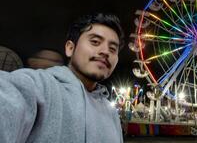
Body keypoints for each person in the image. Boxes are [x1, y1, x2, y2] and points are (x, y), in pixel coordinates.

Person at [0, 13, 124, 143]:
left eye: (112, 49)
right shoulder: (39, 87)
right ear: (70, 48)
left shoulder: (111, 113)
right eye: (95, 42)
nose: (105, 51)